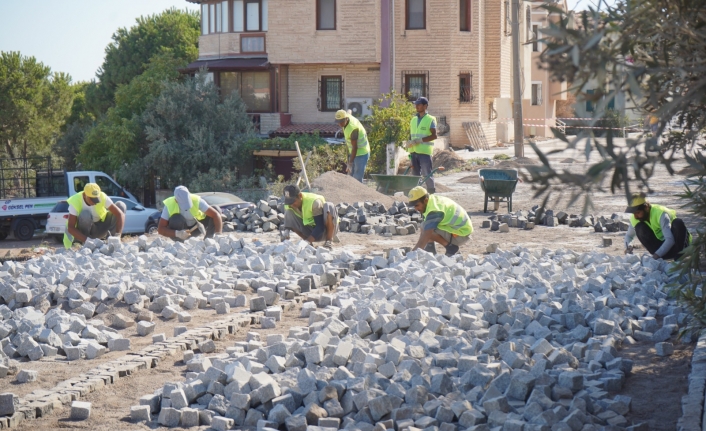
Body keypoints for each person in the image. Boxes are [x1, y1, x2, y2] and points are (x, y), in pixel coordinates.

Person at [408, 186, 472, 256]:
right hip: (458, 230)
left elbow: (427, 234)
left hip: (461, 235)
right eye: (414, 206)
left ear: (425, 200)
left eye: (417, 205)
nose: (416, 209)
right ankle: (430, 249)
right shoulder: (431, 200)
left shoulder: (435, 210)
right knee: (425, 225)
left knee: (426, 227)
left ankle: (451, 248)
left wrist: (413, 254)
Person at [624, 192, 691, 260]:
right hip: (662, 251)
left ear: (646, 207)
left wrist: (656, 256)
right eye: (634, 213)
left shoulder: (661, 214)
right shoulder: (635, 218)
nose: (635, 216)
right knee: (639, 228)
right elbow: (629, 236)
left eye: (638, 213)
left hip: (679, 246)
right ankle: (661, 257)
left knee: (678, 223)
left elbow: (670, 239)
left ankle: (679, 258)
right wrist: (629, 246)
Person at [63, 183, 126, 248]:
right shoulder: (75, 201)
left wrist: (118, 236)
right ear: (85, 195)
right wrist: (87, 240)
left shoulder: (102, 196)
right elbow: (70, 228)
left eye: (96, 199)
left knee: (121, 205)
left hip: (101, 228)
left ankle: (113, 241)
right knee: (85, 214)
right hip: (86, 234)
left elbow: (120, 214)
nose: (94, 202)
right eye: (92, 199)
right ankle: (85, 244)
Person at [283, 184, 339, 249]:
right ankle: (309, 245)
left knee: (329, 206)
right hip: (310, 232)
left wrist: (307, 242)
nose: (291, 205)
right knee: (288, 212)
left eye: (293, 201)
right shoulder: (289, 205)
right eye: (289, 202)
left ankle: (328, 242)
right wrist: (286, 231)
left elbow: (320, 227)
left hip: (326, 231)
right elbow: (289, 222)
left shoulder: (314, 202)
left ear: (300, 196)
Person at [158, 186, 223, 241]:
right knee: (176, 218)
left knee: (216, 209)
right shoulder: (169, 205)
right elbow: (160, 229)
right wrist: (178, 233)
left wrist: (218, 235)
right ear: (176, 200)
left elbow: (216, 214)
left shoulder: (196, 200)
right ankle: (180, 244)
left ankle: (209, 240)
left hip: (196, 228)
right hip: (181, 233)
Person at [404, 97, 438, 194]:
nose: (417, 106)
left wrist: (420, 140)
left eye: (419, 104)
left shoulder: (431, 119)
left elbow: (434, 135)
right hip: (414, 151)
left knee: (427, 174)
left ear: (425, 106)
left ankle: (431, 193)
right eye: (416, 104)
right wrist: (409, 143)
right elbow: (411, 134)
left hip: (425, 152)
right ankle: (417, 194)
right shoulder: (413, 119)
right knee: (415, 175)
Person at [335, 109, 370, 183]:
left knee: (357, 178)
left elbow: (355, 147)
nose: (339, 124)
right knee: (350, 177)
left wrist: (350, 163)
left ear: (346, 119)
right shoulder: (346, 116)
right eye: (338, 122)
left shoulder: (353, 129)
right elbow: (349, 111)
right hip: (354, 153)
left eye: (341, 122)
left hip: (361, 153)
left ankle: (359, 194)